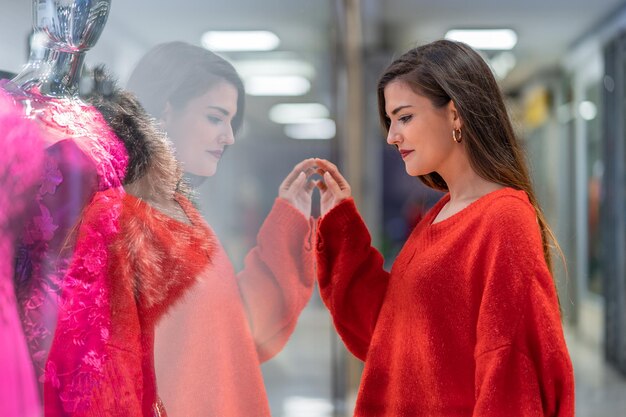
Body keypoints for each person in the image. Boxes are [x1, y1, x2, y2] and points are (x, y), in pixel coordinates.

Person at [313, 39, 574, 416]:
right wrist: (341, 226)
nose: (392, 136)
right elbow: (393, 335)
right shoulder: (440, 214)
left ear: (455, 114)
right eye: (390, 121)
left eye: (404, 117)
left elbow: (511, 380)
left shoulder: (503, 221)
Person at [126, 41, 316, 417]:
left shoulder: (184, 212)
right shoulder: (124, 221)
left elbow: (233, 328)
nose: (228, 137)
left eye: (231, 121)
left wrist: (288, 223)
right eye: (215, 118)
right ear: (164, 112)